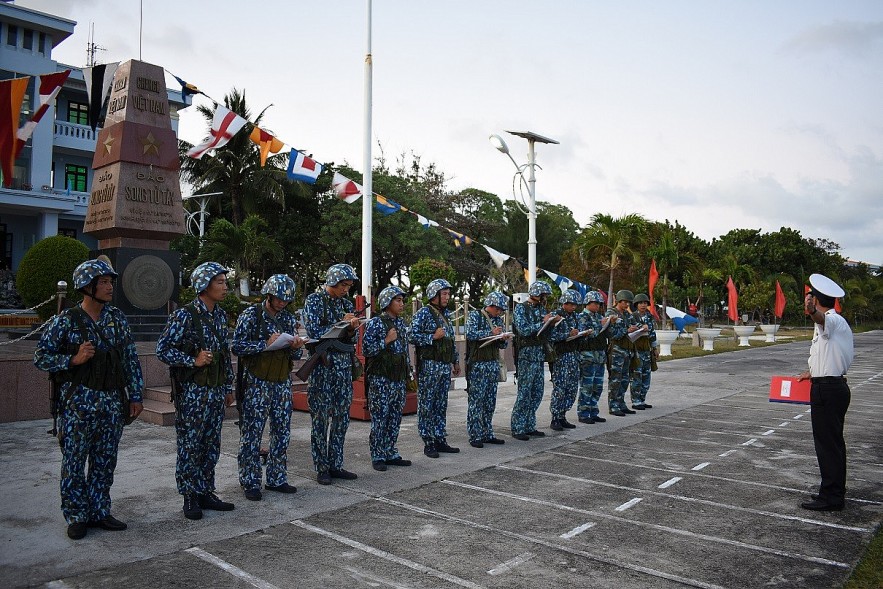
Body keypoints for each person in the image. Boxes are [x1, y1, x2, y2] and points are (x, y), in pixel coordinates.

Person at [34, 258, 144, 540]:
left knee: (105, 460)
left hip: (111, 402)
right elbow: (41, 357)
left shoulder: (116, 318)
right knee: (74, 461)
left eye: (110, 282)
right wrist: (73, 359)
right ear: (87, 287)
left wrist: (135, 395)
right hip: (77, 404)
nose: (109, 287)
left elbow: (129, 359)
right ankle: (76, 515)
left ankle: (99, 511)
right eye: (103, 282)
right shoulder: (67, 321)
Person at [157, 262, 236, 520]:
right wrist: (193, 360)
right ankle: (189, 495)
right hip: (193, 392)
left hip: (215, 390)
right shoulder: (185, 315)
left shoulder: (220, 316)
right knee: (190, 444)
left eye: (225, 282)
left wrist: (228, 387)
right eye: (220, 282)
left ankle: (205, 490)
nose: (225, 287)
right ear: (205, 285)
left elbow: (224, 355)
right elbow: (163, 349)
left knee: (211, 444)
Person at [232, 274, 304, 501]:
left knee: (282, 432)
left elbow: (297, 354)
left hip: (281, 382)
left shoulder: (288, 318)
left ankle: (277, 477)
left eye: (286, 300)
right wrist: (265, 344)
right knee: (252, 434)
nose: (282, 303)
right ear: (269, 295)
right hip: (257, 383)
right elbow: (237, 346)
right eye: (279, 299)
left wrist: (296, 346)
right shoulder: (250, 316)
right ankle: (250, 481)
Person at [796, 274, 853, 512]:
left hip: (828, 390)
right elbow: (827, 353)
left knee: (827, 445)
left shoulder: (830, 320)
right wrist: (813, 371)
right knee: (832, 443)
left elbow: (820, 320)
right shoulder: (833, 322)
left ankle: (831, 497)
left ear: (816, 299)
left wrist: (812, 311)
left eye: (810, 297)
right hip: (829, 385)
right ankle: (833, 491)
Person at [302, 263, 361, 485]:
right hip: (323, 367)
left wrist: (352, 328)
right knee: (320, 417)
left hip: (343, 368)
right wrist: (341, 323)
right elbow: (314, 332)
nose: (346, 289)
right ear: (333, 282)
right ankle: (322, 466)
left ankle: (336, 463)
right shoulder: (315, 301)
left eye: (349, 285)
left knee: (341, 417)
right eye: (343, 285)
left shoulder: (346, 304)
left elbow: (351, 340)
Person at [363, 285, 413, 471]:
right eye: (397, 300)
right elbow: (367, 349)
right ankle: (378, 455)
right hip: (381, 379)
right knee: (380, 418)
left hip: (398, 378)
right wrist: (386, 341)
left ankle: (390, 451)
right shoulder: (376, 323)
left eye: (402, 300)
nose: (402, 304)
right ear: (387, 303)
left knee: (394, 417)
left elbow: (405, 352)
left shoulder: (401, 324)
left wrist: (408, 372)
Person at [411, 278, 461, 458]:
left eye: (448, 294)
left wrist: (455, 361)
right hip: (429, 366)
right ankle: (428, 441)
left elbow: (450, 340)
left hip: (443, 366)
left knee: (441, 404)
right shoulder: (424, 313)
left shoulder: (445, 314)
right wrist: (432, 336)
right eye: (444, 294)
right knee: (427, 405)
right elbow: (411, 335)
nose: (447, 297)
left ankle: (440, 438)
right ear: (434, 295)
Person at [511, 281, 560, 440]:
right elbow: (524, 330)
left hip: (539, 356)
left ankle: (529, 425)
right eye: (543, 295)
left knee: (537, 393)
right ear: (536, 294)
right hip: (526, 356)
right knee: (524, 393)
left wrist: (552, 323)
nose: (545, 298)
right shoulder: (521, 308)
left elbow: (545, 333)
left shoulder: (541, 309)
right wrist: (544, 321)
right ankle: (518, 427)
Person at [465, 291, 511, 448]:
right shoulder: (475, 316)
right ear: (490, 306)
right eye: (498, 309)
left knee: (490, 401)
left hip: (492, 364)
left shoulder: (498, 320)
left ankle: (487, 432)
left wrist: (503, 338)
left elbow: (502, 345)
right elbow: (470, 334)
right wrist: (491, 333)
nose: (499, 313)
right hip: (478, 364)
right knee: (476, 401)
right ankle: (475, 434)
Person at [549, 289, 583, 430]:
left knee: (572, 387)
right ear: (564, 303)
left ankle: (563, 415)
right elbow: (551, 336)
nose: (573, 307)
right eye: (571, 304)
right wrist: (567, 334)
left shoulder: (575, 317)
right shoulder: (556, 316)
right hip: (561, 356)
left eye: (575, 304)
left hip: (573, 355)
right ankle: (555, 417)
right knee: (560, 388)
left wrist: (582, 334)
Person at [577, 291, 608, 424]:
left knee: (598, 386)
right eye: (595, 303)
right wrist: (601, 325)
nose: (597, 306)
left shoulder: (599, 317)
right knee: (587, 386)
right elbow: (587, 334)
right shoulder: (582, 317)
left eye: (598, 304)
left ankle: (593, 410)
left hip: (599, 356)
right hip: (588, 356)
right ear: (588, 303)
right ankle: (584, 413)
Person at [606, 289, 639, 417]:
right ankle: (613, 405)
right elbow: (612, 333)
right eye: (624, 302)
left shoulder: (626, 314)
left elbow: (634, 324)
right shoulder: (611, 314)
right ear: (619, 301)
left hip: (627, 350)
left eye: (628, 303)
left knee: (625, 379)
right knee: (615, 379)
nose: (626, 305)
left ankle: (621, 402)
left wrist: (639, 328)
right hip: (616, 350)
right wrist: (627, 330)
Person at [629, 293, 658, 410]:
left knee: (646, 376)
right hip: (637, 350)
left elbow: (652, 333)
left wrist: (654, 348)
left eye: (645, 303)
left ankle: (642, 399)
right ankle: (636, 401)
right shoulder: (633, 317)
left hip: (647, 350)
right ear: (636, 304)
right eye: (641, 303)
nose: (643, 305)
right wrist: (641, 327)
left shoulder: (649, 316)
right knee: (636, 376)